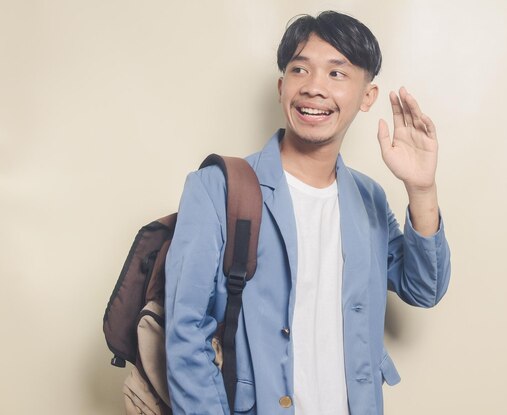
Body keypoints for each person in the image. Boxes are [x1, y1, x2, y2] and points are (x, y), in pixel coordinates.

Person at [165, 10, 451, 415]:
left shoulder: (367, 197)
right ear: (282, 87)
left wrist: (421, 189)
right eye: (300, 69)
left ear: (367, 96)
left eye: (337, 74)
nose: (314, 87)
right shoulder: (217, 187)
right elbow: (186, 332)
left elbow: (425, 289)